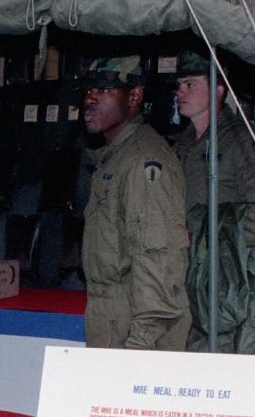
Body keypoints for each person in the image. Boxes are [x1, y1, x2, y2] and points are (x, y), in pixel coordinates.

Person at [170, 48, 255, 356]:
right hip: (188, 273)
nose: (181, 91)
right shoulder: (181, 145)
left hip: (234, 278)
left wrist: (201, 229)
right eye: (179, 85)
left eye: (191, 84)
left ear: (219, 90)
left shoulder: (245, 142)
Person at [78, 55, 191, 350]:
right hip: (112, 317)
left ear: (135, 96)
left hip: (133, 328)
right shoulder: (117, 155)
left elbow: (158, 261)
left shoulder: (142, 162)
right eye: (88, 90)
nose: (90, 99)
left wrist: (141, 345)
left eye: (103, 90)